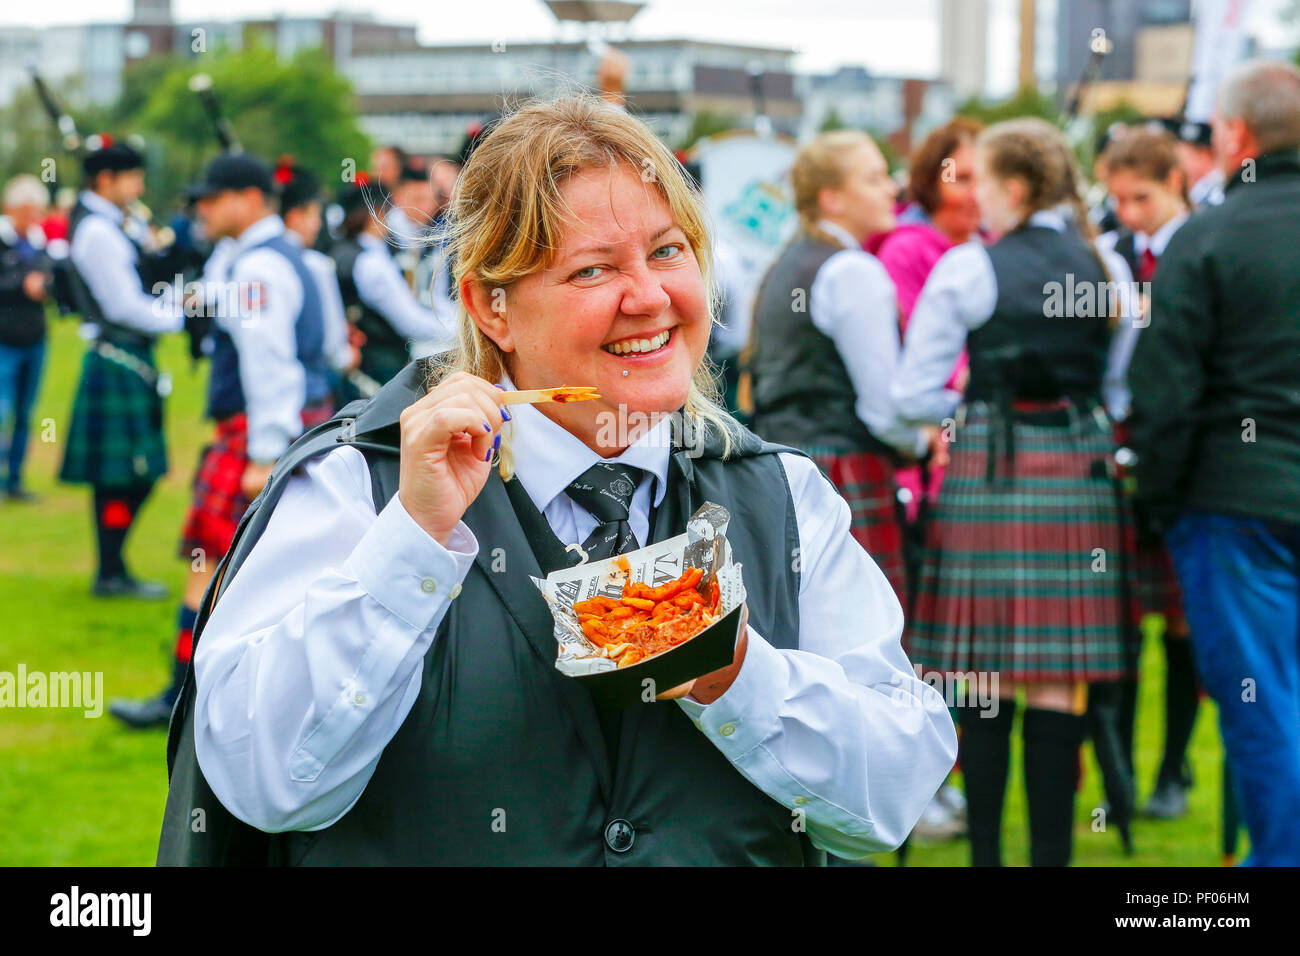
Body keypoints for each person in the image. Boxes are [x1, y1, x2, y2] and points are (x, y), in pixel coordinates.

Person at [157, 93, 957, 866]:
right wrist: (413, 540)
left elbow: (892, 797)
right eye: (591, 271)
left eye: (669, 251)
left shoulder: (784, 497)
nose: (649, 298)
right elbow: (261, 782)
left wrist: (734, 674)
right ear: (491, 307)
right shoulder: (355, 487)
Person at [893, 118, 1128, 867]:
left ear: (1016, 187)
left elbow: (911, 393)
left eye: (983, 182)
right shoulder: (1107, 266)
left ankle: (988, 859)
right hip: (1081, 468)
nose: (977, 198)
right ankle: (1051, 861)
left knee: (982, 676)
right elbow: (1118, 386)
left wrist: (960, 415)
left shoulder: (968, 268)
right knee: (1059, 680)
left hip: (989, 467)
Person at [1128, 60, 1300, 866]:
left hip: (1237, 510)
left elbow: (1165, 392)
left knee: (1265, 709)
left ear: (1235, 135)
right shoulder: (1207, 235)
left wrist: (1156, 502)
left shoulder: (1207, 237)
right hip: (1244, 499)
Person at [109, 154, 337, 728]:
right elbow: (333, 346)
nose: (201, 210)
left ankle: (182, 699)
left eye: (212, 199)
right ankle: (251, 700)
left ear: (250, 199)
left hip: (263, 431)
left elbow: (270, 365)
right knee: (281, 563)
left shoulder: (259, 268)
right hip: (302, 422)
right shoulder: (284, 257)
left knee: (208, 558)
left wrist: (263, 453)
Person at [748, 130, 934, 608]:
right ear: (832, 198)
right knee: (867, 639)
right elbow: (884, 409)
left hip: (781, 468)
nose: (892, 187)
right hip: (844, 471)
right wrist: (922, 443)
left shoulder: (786, 263)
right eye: (873, 178)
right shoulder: (852, 271)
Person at [1099, 127, 1199, 821]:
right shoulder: (1108, 259)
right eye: (1118, 198)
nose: (1129, 213)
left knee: (1185, 629)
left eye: (1142, 197)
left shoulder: (1206, 248)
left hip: (1191, 459)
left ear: (1176, 182)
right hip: (1118, 449)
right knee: (1124, 624)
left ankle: (1174, 769)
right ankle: (1126, 775)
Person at [59, 139, 182, 598]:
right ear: (106, 179)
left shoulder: (111, 225)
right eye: (133, 177)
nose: (140, 186)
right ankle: (110, 571)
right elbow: (124, 306)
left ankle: (112, 568)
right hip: (118, 356)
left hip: (126, 358)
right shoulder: (99, 232)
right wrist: (181, 314)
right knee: (126, 475)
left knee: (130, 474)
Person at [329, 177, 454, 393]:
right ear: (375, 214)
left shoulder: (345, 251)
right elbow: (409, 321)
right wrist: (461, 329)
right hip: (378, 368)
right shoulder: (370, 262)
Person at [274, 160, 362, 400]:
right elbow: (333, 348)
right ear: (295, 216)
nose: (318, 223)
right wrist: (350, 356)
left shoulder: (252, 258)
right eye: (313, 214)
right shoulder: (316, 266)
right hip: (309, 393)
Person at [0, 174, 52, 502]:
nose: (32, 218)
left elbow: (52, 278)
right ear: (11, 208)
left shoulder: (39, 242)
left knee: (25, 412)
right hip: (4, 340)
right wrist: (22, 285)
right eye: (26, 211)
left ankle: (14, 479)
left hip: (35, 339)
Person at [1172, 120, 1225, 210]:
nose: (1179, 165)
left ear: (1203, 155)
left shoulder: (1218, 190)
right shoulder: (1199, 190)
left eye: (1183, 157)